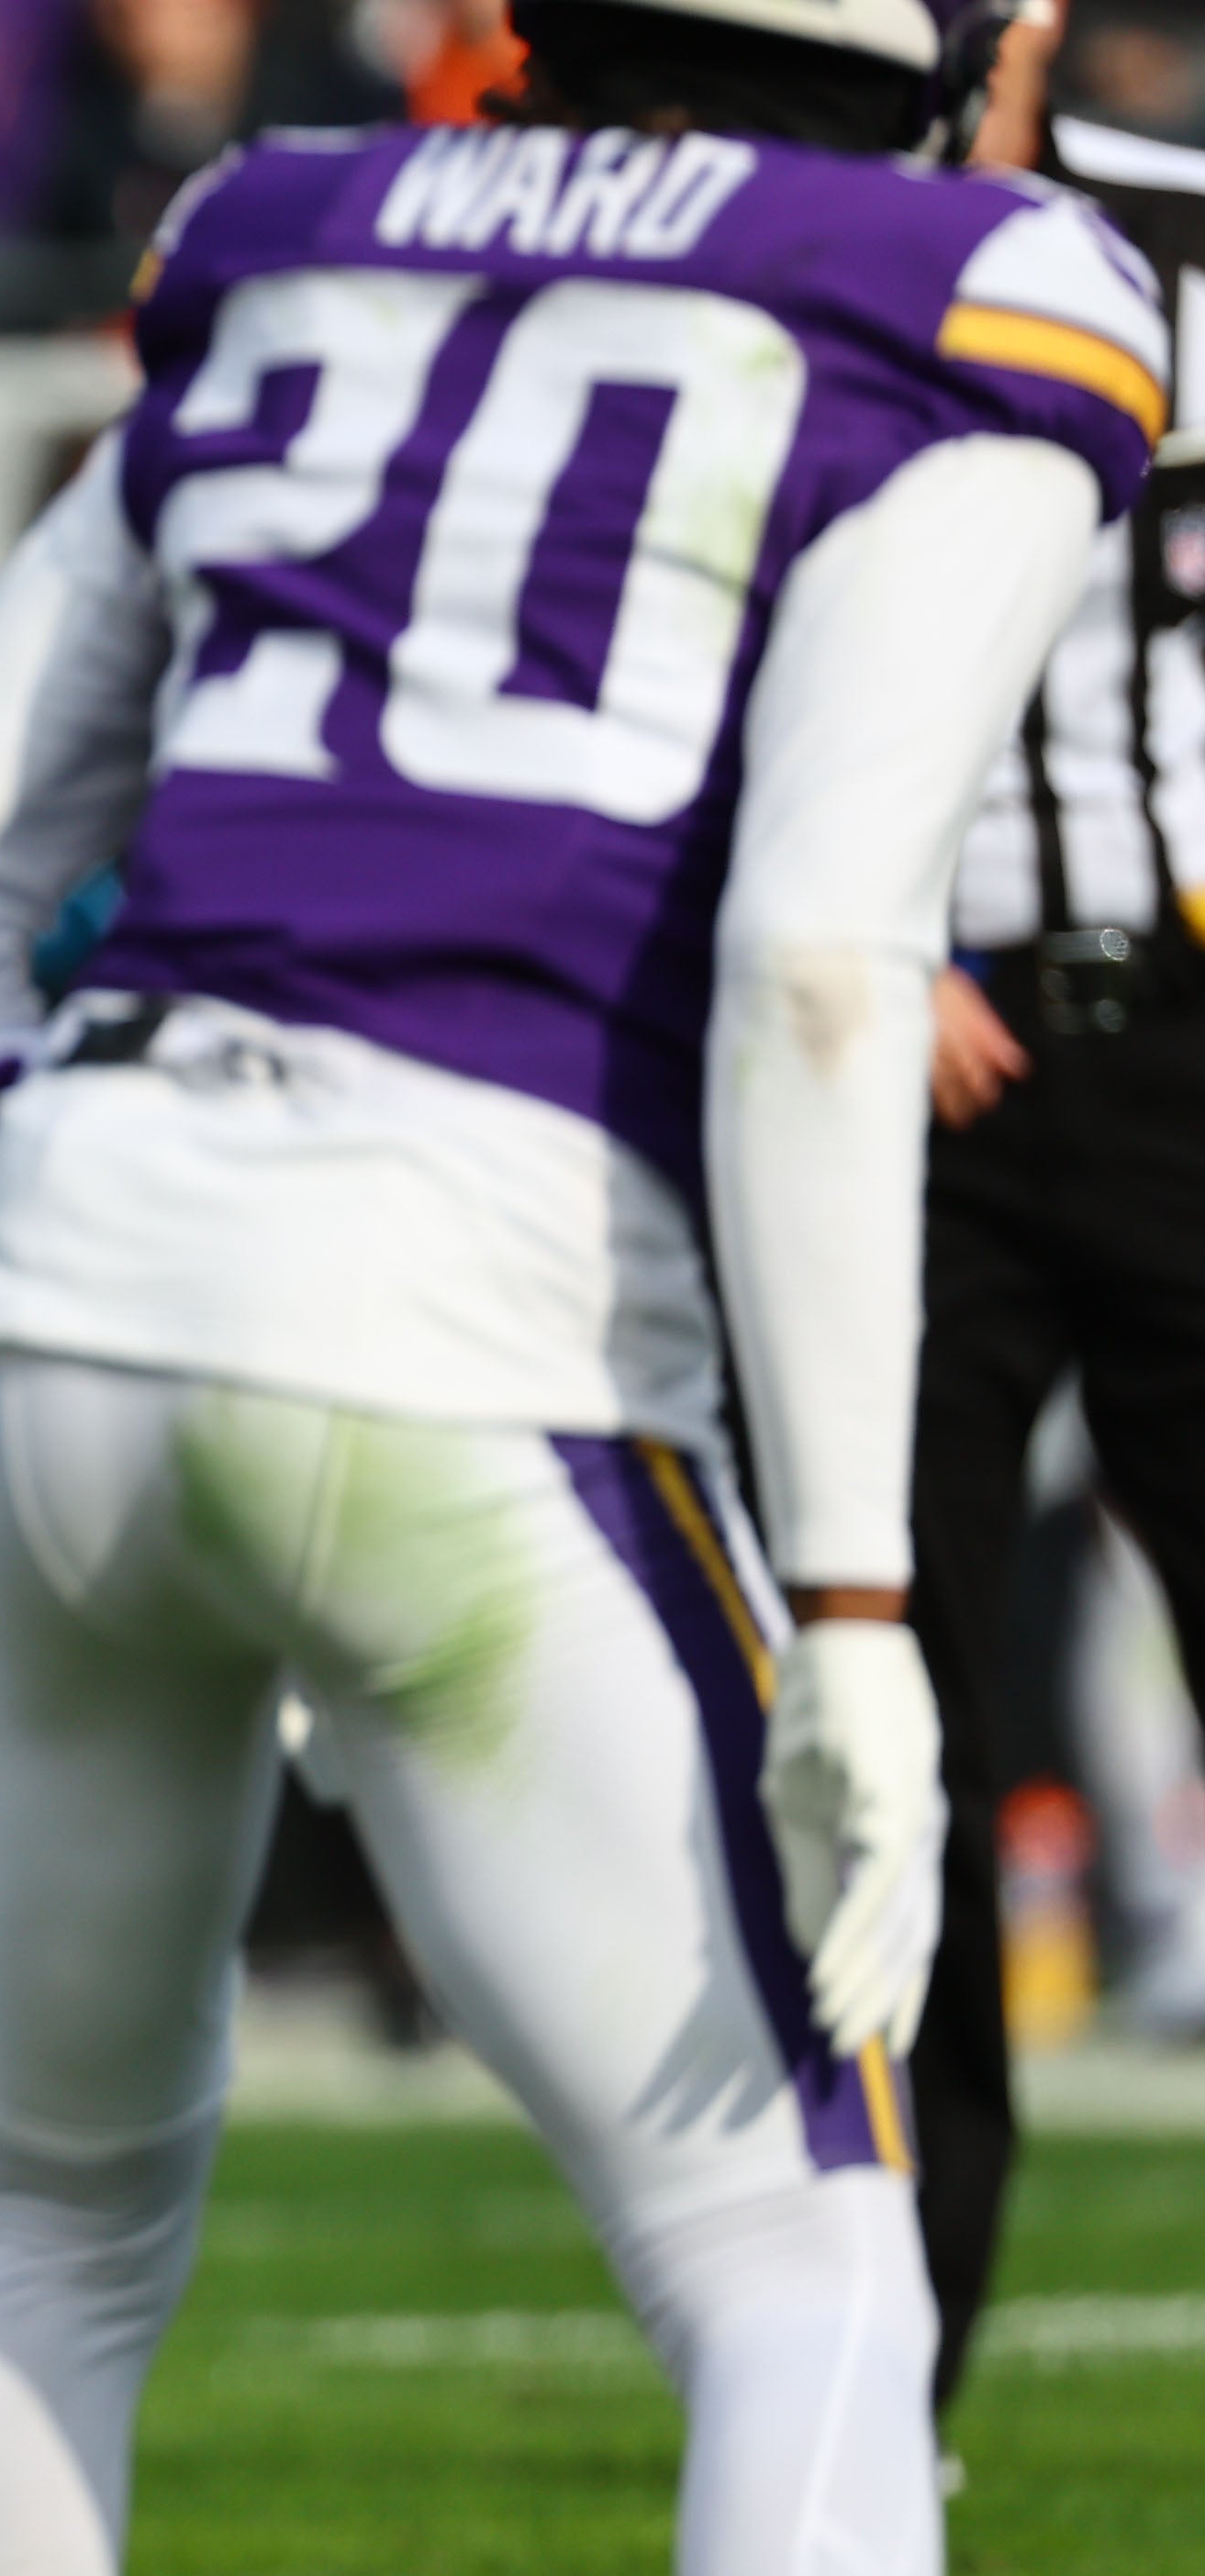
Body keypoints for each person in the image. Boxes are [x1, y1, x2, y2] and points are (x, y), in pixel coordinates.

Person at [0, 0, 1153, 2576]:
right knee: (790, 2241)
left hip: (85, 1288)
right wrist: (847, 1601)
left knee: (48, 2220)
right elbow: (825, 952)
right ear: (943, 61)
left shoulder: (284, 225)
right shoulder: (970, 290)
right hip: (477, 1325)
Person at [907, 0, 1205, 2408]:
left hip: (1177, 1032)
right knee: (888, 1689)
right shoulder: (829, 286)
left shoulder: (1168, 249)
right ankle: (875, 2349)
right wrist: (853, 929)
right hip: (919, 1039)